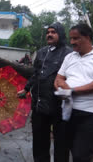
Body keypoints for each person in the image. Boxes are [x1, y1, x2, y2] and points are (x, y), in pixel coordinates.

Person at [54, 23, 93, 162]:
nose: (72, 42)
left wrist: (71, 90)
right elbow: (58, 79)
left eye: (76, 38)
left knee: (81, 156)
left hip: (91, 113)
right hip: (68, 111)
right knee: (62, 151)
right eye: (71, 39)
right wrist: (61, 88)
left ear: (87, 37)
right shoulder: (70, 57)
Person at [17, 22, 72, 162]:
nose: (49, 34)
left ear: (61, 34)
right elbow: (35, 74)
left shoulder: (69, 54)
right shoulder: (42, 52)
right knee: (39, 142)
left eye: (53, 32)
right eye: (48, 32)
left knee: (61, 143)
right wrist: (26, 88)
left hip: (59, 106)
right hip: (39, 105)